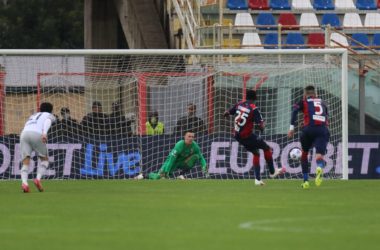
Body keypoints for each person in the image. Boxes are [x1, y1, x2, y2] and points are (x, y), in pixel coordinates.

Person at [224, 89, 285, 186]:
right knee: (266, 148)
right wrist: (262, 127)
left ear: (246, 97)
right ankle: (272, 172)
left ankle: (257, 180)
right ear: (254, 99)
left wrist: (226, 114)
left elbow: (227, 113)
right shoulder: (254, 108)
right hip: (247, 136)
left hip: (237, 135)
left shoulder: (239, 104)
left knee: (256, 153)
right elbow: (261, 125)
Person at [288, 85, 330, 189]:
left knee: (304, 153)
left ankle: (306, 181)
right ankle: (319, 167)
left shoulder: (303, 102)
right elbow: (327, 117)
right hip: (322, 129)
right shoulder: (323, 102)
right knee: (319, 155)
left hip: (308, 130)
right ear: (315, 94)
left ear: (305, 94)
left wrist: (291, 128)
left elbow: (294, 111)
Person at [19, 102, 56, 193]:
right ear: (51, 110)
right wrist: (44, 133)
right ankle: (38, 179)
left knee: (26, 161)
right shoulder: (49, 115)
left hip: (24, 134)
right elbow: (48, 121)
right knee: (45, 160)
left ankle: (25, 183)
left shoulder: (33, 115)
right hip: (37, 134)